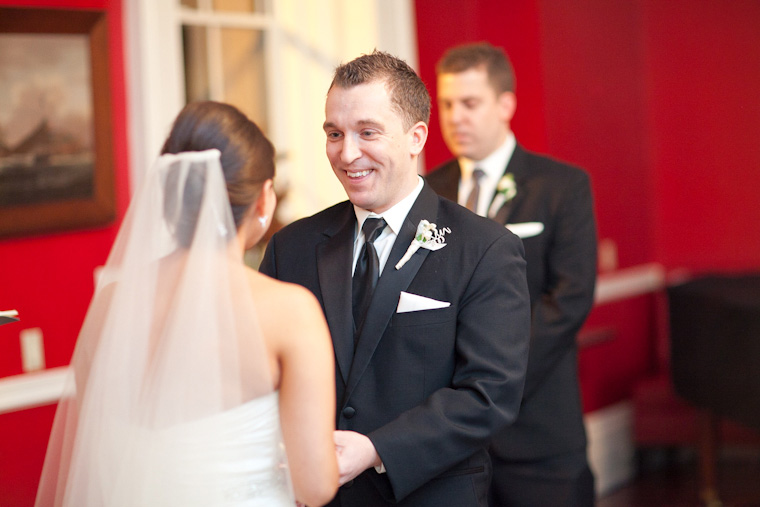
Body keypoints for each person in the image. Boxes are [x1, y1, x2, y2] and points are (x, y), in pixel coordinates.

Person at [259, 51, 531, 507]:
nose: (347, 153)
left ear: (415, 137)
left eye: (367, 132)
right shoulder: (292, 247)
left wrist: (376, 449)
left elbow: (489, 395)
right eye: (334, 134)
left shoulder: (485, 248)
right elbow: (262, 373)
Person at [35, 101, 339, 507]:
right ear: (263, 200)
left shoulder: (110, 304)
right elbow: (314, 487)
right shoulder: (290, 312)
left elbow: (98, 451)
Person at [426, 42, 598, 506]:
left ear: (506, 105)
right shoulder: (426, 192)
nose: (455, 118)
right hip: (449, 435)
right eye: (446, 104)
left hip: (538, 428)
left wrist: (494, 379)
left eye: (470, 103)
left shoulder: (562, 185)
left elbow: (570, 298)